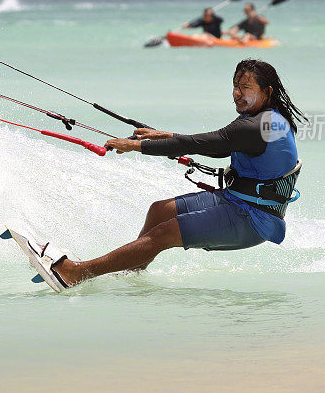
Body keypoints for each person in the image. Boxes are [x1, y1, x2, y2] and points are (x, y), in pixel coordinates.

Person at [47, 59, 305, 289]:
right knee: (159, 211)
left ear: (267, 92)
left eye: (246, 87)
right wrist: (165, 135)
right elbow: (216, 146)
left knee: (163, 234)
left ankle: (76, 273)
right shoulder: (264, 118)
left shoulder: (259, 125)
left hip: (253, 218)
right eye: (235, 86)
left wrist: (136, 145)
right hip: (235, 199)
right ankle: (131, 273)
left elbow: (209, 143)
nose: (237, 94)